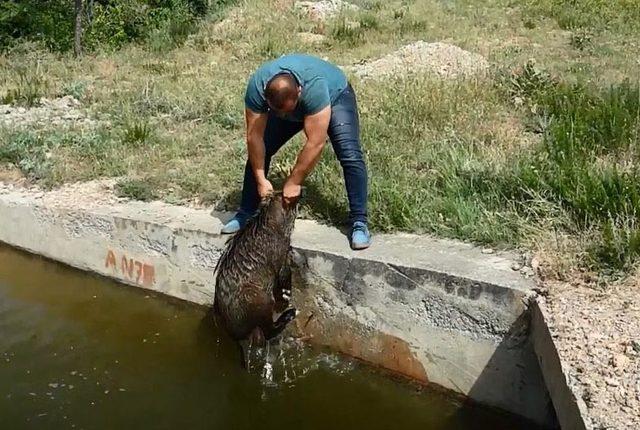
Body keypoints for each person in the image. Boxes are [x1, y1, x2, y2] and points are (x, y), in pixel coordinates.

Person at [220, 53, 371, 250]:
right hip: (286, 101)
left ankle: (359, 221)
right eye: (279, 112)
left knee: (349, 154)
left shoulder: (314, 88)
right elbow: (253, 138)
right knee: (263, 147)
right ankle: (246, 212)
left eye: (287, 111)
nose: (284, 116)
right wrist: (260, 179)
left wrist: (294, 181)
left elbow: (316, 143)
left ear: (299, 92)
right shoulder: (257, 87)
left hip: (335, 96)